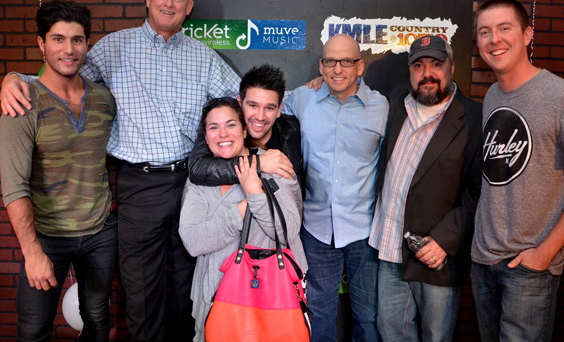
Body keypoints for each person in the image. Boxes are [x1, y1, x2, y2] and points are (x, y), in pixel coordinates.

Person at [0, 0, 240, 341]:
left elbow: (246, 101)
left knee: (185, 286)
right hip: (140, 185)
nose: (168, 4)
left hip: (193, 184)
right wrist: (14, 77)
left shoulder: (204, 57)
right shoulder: (112, 49)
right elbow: (62, 76)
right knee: (142, 292)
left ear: (189, 8)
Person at [0, 0, 116, 341]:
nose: (69, 49)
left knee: (97, 321)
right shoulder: (21, 103)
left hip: (99, 234)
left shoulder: (104, 100)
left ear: (87, 44)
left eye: (77, 40)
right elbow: (14, 186)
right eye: (58, 39)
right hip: (47, 238)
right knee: (34, 329)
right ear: (41, 43)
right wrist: (32, 253)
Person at [369, 35, 482, 341]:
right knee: (391, 333)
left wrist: (445, 241)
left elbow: (480, 193)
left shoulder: (474, 119)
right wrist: (321, 81)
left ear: (451, 67)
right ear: (409, 71)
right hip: (390, 250)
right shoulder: (394, 102)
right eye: (418, 65)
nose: (427, 72)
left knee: (436, 337)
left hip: (435, 258)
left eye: (436, 64)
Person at [471, 0, 564, 342]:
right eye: (485, 32)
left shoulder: (561, 96)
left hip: (529, 268)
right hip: (483, 260)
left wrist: (543, 254)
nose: (494, 39)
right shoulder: (493, 97)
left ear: (528, 34)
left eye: (504, 28)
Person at [282, 34, 388, 341]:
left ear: (360, 67)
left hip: (364, 232)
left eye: (346, 61)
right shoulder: (302, 98)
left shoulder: (382, 108)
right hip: (316, 231)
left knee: (367, 319)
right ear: (321, 65)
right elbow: (260, 111)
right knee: (319, 316)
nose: (337, 69)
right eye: (330, 61)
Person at [178, 97, 307, 341]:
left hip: (269, 302)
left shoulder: (275, 165)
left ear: (245, 130)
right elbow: (193, 241)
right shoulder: (199, 180)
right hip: (213, 302)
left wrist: (256, 192)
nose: (222, 134)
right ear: (205, 138)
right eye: (213, 127)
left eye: (231, 125)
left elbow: (286, 232)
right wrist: (244, 207)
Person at [188, 63, 303, 187]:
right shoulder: (220, 125)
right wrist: (259, 163)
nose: (260, 116)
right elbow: (198, 169)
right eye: (253, 106)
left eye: (269, 108)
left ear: (279, 109)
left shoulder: (293, 129)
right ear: (239, 102)